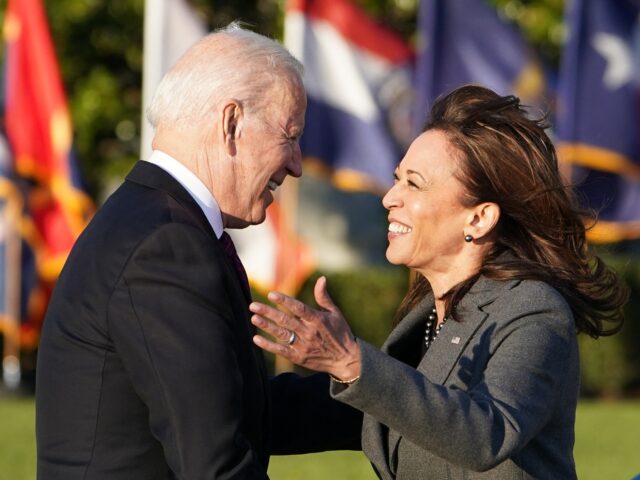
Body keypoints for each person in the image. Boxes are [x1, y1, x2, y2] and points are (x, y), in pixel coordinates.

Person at [250, 85, 628, 479]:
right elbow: (373, 411)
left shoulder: (533, 308)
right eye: (398, 179)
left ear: (479, 218)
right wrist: (222, 403)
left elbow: (487, 433)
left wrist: (352, 362)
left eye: (414, 183)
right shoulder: (429, 315)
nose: (389, 198)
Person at [35, 24, 307, 479]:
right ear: (232, 123)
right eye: (290, 134)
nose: (297, 163)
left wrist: (380, 387)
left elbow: (235, 406)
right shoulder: (164, 244)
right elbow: (215, 463)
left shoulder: (157, 223)